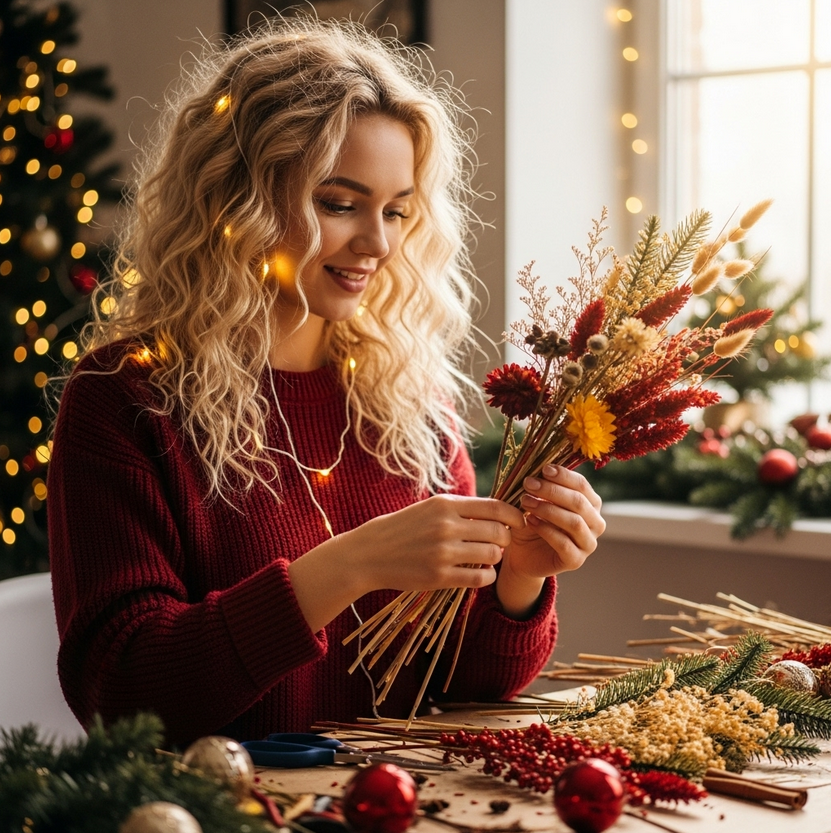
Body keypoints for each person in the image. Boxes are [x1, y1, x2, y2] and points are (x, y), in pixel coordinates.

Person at [48, 15, 605, 747]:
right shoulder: (126, 397)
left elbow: (458, 684)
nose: (377, 243)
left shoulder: (409, 401)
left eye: (397, 211)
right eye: (338, 203)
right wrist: (348, 566)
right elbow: (121, 692)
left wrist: (518, 580)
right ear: (234, 197)